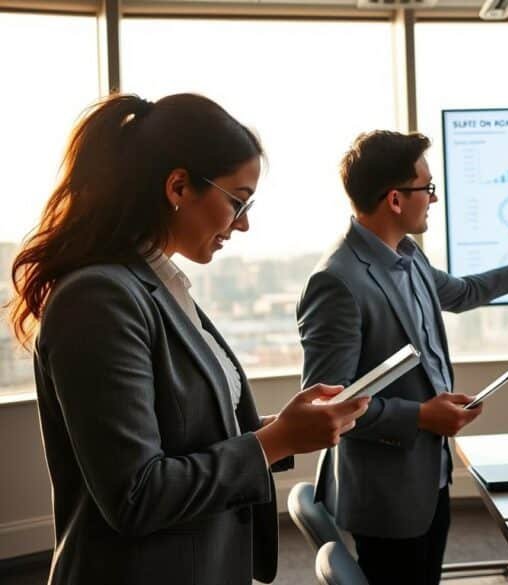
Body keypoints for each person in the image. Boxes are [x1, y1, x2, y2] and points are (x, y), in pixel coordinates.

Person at [7, 94, 369, 585]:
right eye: (237, 201)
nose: (243, 223)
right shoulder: (98, 298)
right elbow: (137, 493)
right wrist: (275, 439)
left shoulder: (157, 285)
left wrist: (285, 428)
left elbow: (184, 431)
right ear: (178, 186)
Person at [296, 130, 508, 585]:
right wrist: (421, 416)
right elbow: (329, 408)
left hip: (427, 477)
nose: (433, 200)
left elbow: (460, 293)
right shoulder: (338, 281)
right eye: (428, 188)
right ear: (396, 200)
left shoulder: (409, 257)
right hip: (385, 494)